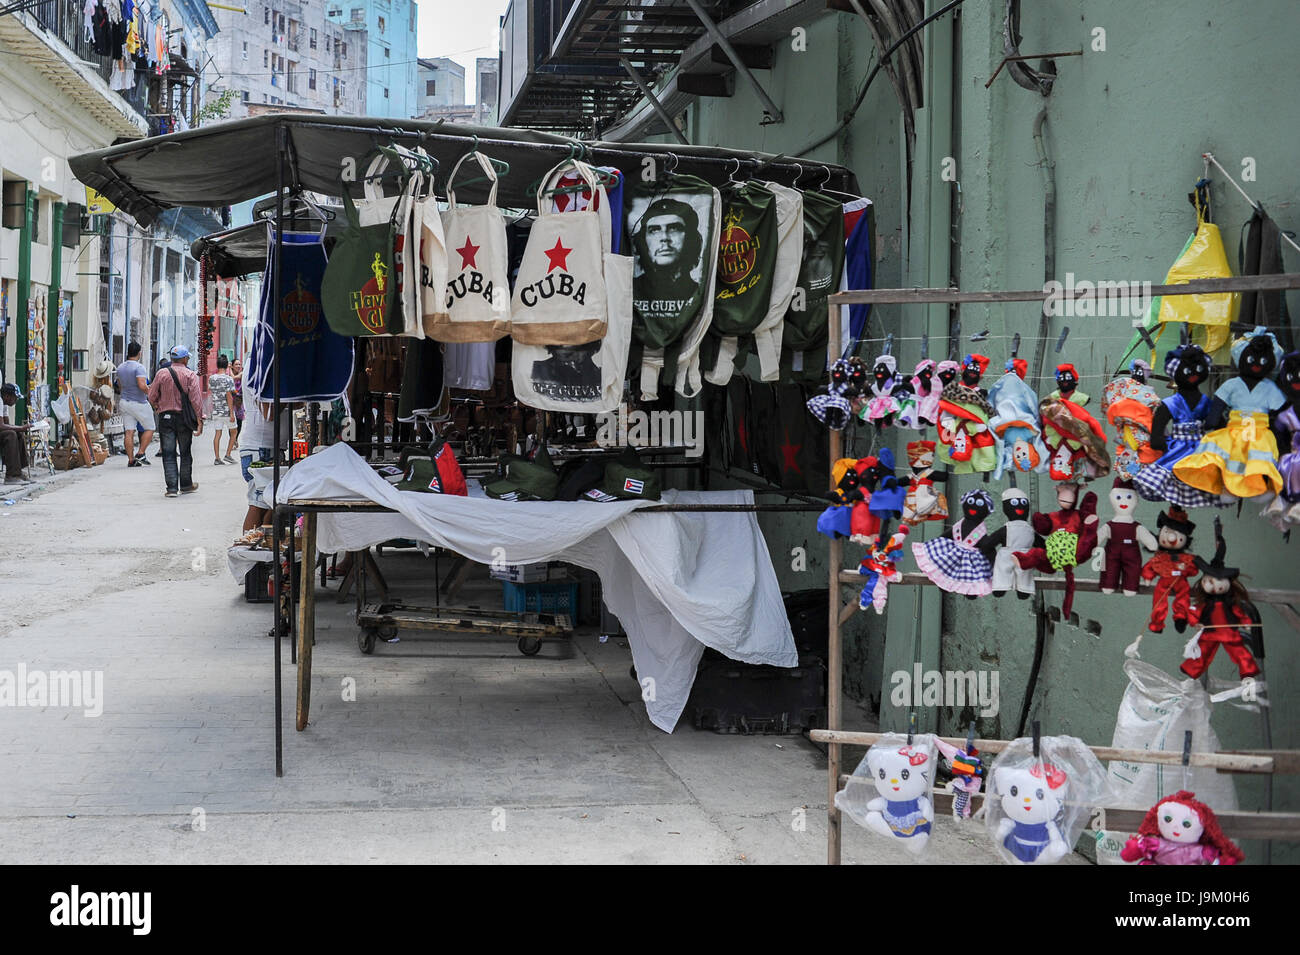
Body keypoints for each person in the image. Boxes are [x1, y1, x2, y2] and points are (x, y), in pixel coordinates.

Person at [147, 345, 203, 497]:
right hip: (184, 418)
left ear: (172, 358)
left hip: (165, 418)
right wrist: (199, 419)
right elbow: (196, 400)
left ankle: (171, 489)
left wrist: (158, 406)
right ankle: (185, 485)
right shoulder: (190, 375)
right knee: (185, 452)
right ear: (185, 359)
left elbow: (151, 395)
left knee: (169, 453)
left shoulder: (161, 373)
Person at [116, 341, 155, 467]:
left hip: (124, 401)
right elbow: (142, 385)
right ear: (139, 353)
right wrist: (151, 392)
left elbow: (120, 385)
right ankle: (140, 453)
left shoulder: (120, 367)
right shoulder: (139, 367)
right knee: (150, 427)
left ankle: (131, 460)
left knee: (129, 431)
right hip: (139, 402)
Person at [208, 354, 238, 465]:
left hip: (216, 411)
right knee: (234, 432)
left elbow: (212, 391)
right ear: (226, 366)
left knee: (217, 434)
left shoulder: (212, 378)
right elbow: (229, 396)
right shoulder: (228, 379)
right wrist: (231, 413)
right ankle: (228, 455)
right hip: (226, 411)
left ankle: (217, 458)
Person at [1, 382, 31, 484]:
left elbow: (7, 424)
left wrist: (20, 429)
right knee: (11, 435)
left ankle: (18, 471)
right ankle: (11, 476)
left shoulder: (4, 405)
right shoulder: (0, 402)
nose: (16, 400)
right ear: (6, 396)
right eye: (15, 397)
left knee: (17, 434)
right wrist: (21, 427)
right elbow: (1, 426)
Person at [230, 357, 245, 439]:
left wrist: (229, 369)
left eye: (239, 364)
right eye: (236, 364)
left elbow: (234, 378)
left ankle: (235, 438)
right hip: (231, 401)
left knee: (239, 422)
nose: (238, 366)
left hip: (239, 402)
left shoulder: (242, 373)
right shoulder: (228, 374)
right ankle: (232, 440)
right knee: (231, 423)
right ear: (232, 366)